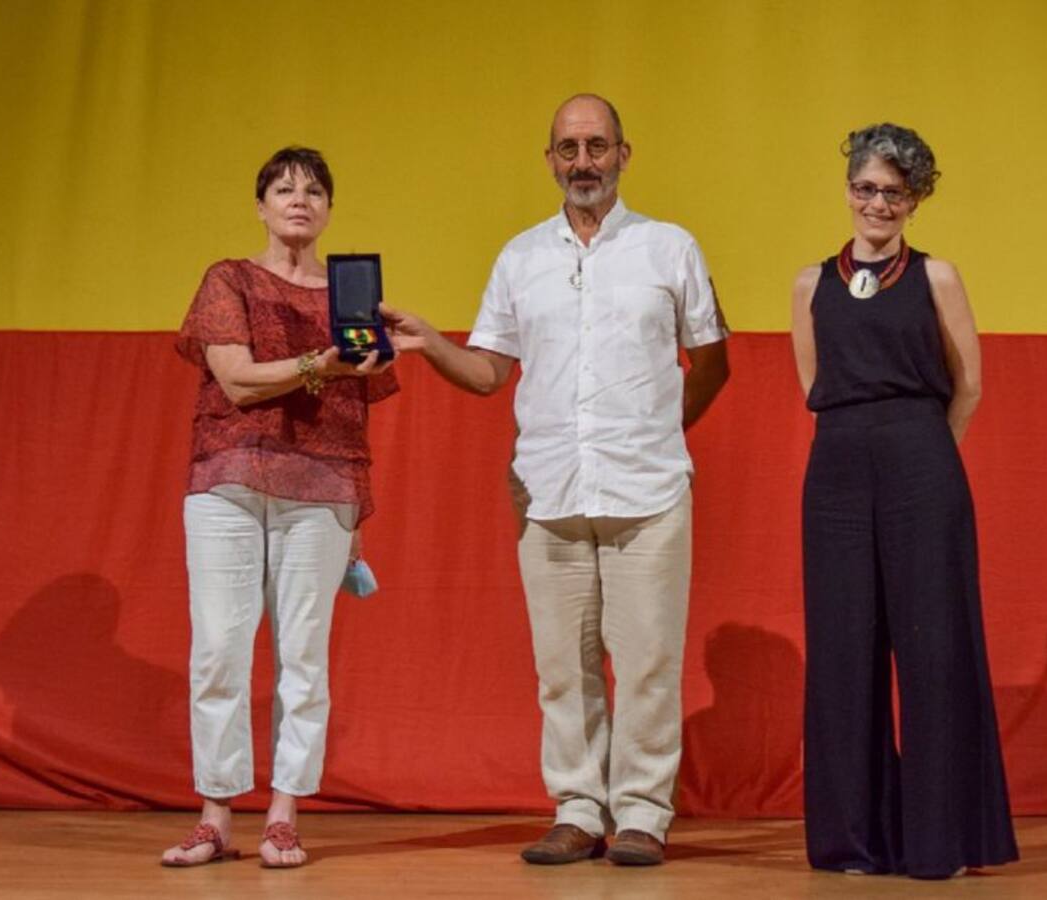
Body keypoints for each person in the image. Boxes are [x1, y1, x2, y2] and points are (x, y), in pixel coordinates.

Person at [386, 94, 729, 866]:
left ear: (623, 155)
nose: (583, 161)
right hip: (548, 493)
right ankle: (578, 809)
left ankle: (641, 813)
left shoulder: (668, 247)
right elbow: (488, 373)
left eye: (597, 146)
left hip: (649, 491)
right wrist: (432, 342)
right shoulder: (520, 258)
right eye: (569, 148)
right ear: (549, 160)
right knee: (561, 668)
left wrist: (661, 431)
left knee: (646, 662)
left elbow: (712, 359)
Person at [790, 123, 1019, 879]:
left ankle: (939, 842)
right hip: (838, 473)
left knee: (934, 649)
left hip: (922, 460)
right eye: (866, 188)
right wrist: (864, 446)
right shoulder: (810, 282)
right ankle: (854, 842)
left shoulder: (938, 277)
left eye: (894, 192)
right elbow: (813, 385)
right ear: (847, 189)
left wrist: (925, 453)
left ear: (915, 200)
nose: (877, 204)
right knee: (844, 651)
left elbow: (971, 383)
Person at [161, 147, 397, 868]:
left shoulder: (348, 298)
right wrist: (316, 365)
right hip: (229, 484)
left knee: (304, 655)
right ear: (261, 205)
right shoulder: (228, 278)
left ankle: (284, 814)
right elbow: (233, 380)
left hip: (321, 489)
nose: (300, 199)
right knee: (219, 651)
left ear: (329, 210)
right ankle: (214, 814)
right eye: (284, 188)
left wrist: (370, 354)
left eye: (315, 190)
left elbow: (358, 409)